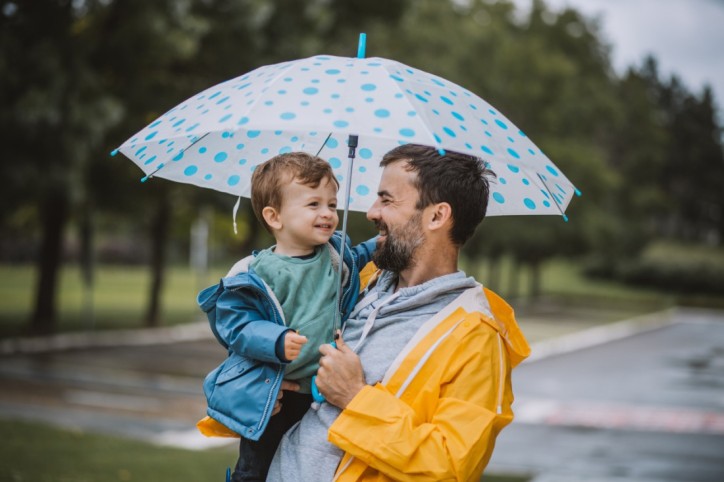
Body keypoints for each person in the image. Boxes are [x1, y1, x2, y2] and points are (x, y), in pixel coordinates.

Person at [267, 144, 531, 481]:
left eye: (387, 199)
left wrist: (355, 397)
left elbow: (449, 466)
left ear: (437, 216)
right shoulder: (354, 284)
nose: (372, 212)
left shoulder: (476, 336)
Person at [195, 152, 376, 481]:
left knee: (310, 466)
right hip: (277, 391)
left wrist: (381, 244)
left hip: (321, 391)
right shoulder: (258, 272)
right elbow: (236, 323)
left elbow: (359, 255)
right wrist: (274, 340)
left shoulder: (335, 257)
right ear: (274, 217)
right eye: (313, 205)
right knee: (256, 468)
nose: (327, 214)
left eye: (332, 205)